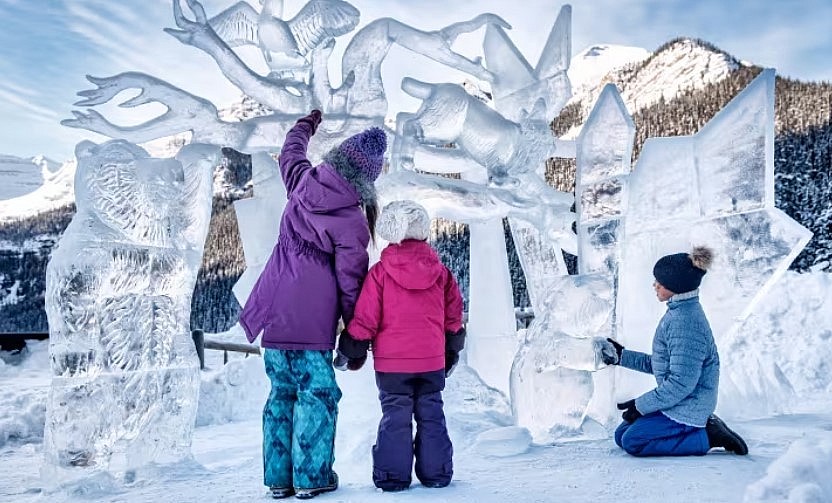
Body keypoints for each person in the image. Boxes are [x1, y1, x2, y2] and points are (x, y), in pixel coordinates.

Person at [239, 110, 387, 499]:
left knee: (281, 393)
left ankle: (278, 480)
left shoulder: (302, 182)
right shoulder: (352, 220)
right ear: (366, 182)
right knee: (317, 394)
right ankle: (311, 477)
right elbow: (350, 283)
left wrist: (308, 124)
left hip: (274, 314)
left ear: (335, 159)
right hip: (312, 325)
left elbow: (290, 151)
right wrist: (355, 336)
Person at [334, 200, 465, 492]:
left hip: (392, 366)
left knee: (395, 416)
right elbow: (454, 316)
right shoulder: (441, 274)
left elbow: (365, 319)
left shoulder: (380, 274)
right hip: (432, 362)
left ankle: (393, 477)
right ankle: (437, 473)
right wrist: (452, 348)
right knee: (431, 414)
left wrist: (350, 349)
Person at [596, 246, 749, 457]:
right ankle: (698, 430)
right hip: (677, 401)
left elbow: (680, 383)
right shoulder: (678, 311)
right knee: (621, 435)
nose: (655, 285)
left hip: (688, 407)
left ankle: (708, 436)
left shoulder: (685, 323)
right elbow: (665, 366)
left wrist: (641, 406)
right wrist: (622, 357)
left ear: (676, 286)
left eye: (661, 282)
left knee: (633, 442)